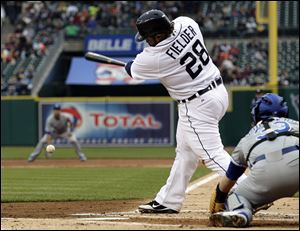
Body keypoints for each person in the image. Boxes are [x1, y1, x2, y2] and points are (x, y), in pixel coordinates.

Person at [124, 9, 247, 213]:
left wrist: (129, 66)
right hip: (217, 92)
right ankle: (169, 200)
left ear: (158, 35)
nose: (147, 42)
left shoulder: (153, 58)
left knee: (212, 154)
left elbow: (133, 70)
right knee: (185, 153)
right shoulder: (187, 23)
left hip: (197, 105)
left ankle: (251, 191)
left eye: (148, 38)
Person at [209, 93, 299, 227]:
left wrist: (220, 196)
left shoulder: (246, 139)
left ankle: (241, 212)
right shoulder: (294, 124)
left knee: (236, 196)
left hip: (264, 176)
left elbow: (229, 179)